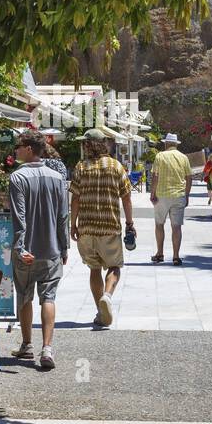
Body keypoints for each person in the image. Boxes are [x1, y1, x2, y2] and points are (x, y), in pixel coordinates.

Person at [8, 129, 69, 371]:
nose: (16, 151)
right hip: (51, 249)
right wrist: (64, 246)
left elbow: (19, 217)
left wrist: (20, 246)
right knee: (49, 297)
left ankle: (27, 344)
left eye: (19, 147)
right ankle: (47, 348)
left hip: (27, 251)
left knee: (24, 295)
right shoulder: (57, 178)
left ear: (29, 149)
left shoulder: (17, 178)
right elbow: (63, 216)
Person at [70, 129, 135, 328]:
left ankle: (100, 311)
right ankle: (107, 296)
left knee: (94, 268)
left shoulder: (81, 167)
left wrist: (73, 224)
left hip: (87, 228)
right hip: (109, 226)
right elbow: (126, 197)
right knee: (114, 267)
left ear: (89, 145)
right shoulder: (116, 167)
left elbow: (75, 199)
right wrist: (130, 223)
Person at [150, 132, 192, 265]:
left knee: (159, 224)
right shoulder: (184, 157)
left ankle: (160, 253)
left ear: (166, 143)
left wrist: (152, 193)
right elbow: (189, 178)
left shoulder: (160, 156)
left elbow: (155, 176)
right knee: (176, 227)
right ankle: (175, 256)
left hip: (162, 195)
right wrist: (187, 194)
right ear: (176, 144)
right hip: (179, 195)